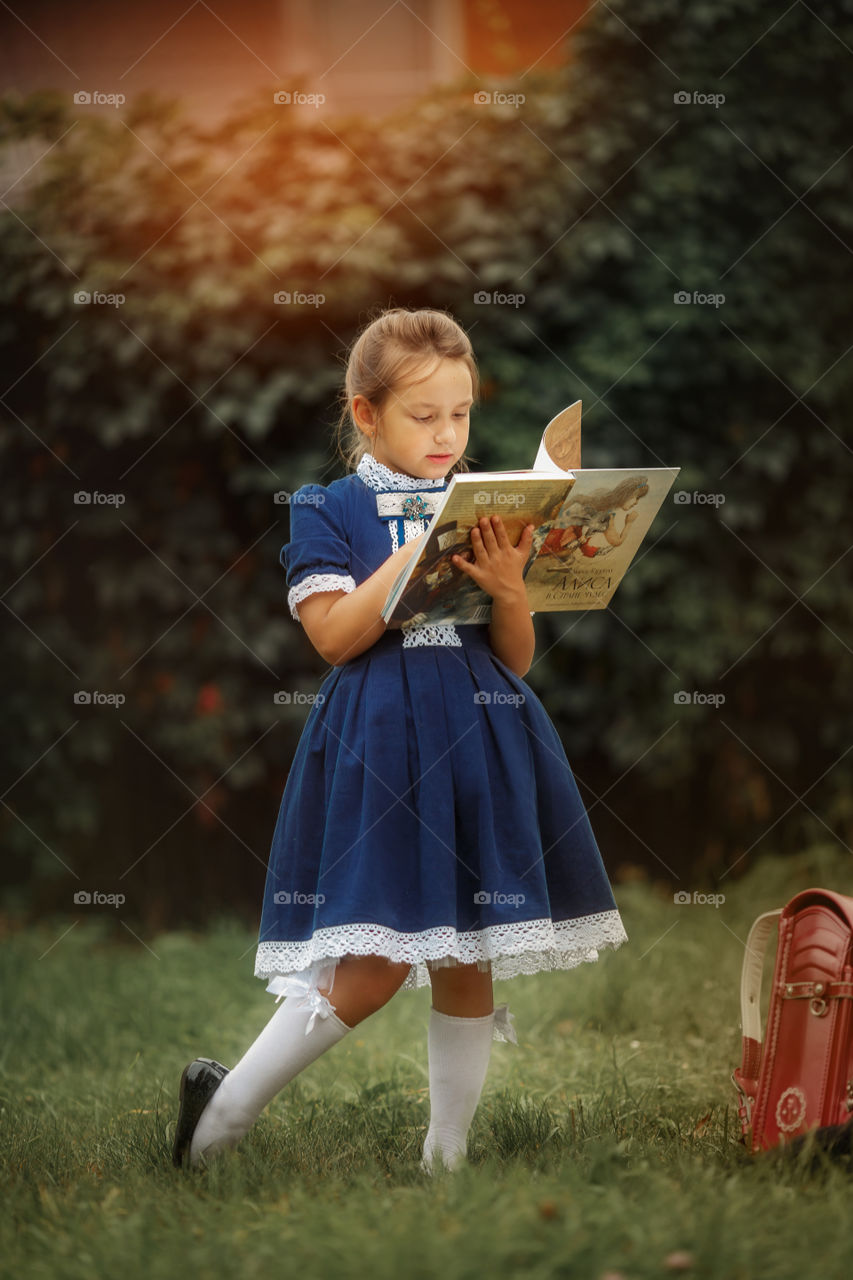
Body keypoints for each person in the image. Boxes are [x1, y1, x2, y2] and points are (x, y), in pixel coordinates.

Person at [172, 307, 628, 1174]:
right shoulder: (327, 509)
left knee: (469, 950)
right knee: (376, 959)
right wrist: (420, 541)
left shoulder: (490, 503)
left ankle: (443, 1161)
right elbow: (336, 637)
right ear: (366, 413)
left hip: (484, 733)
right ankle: (219, 1119)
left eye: (461, 414)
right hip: (381, 742)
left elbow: (515, 660)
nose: (447, 434)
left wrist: (506, 584)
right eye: (425, 417)